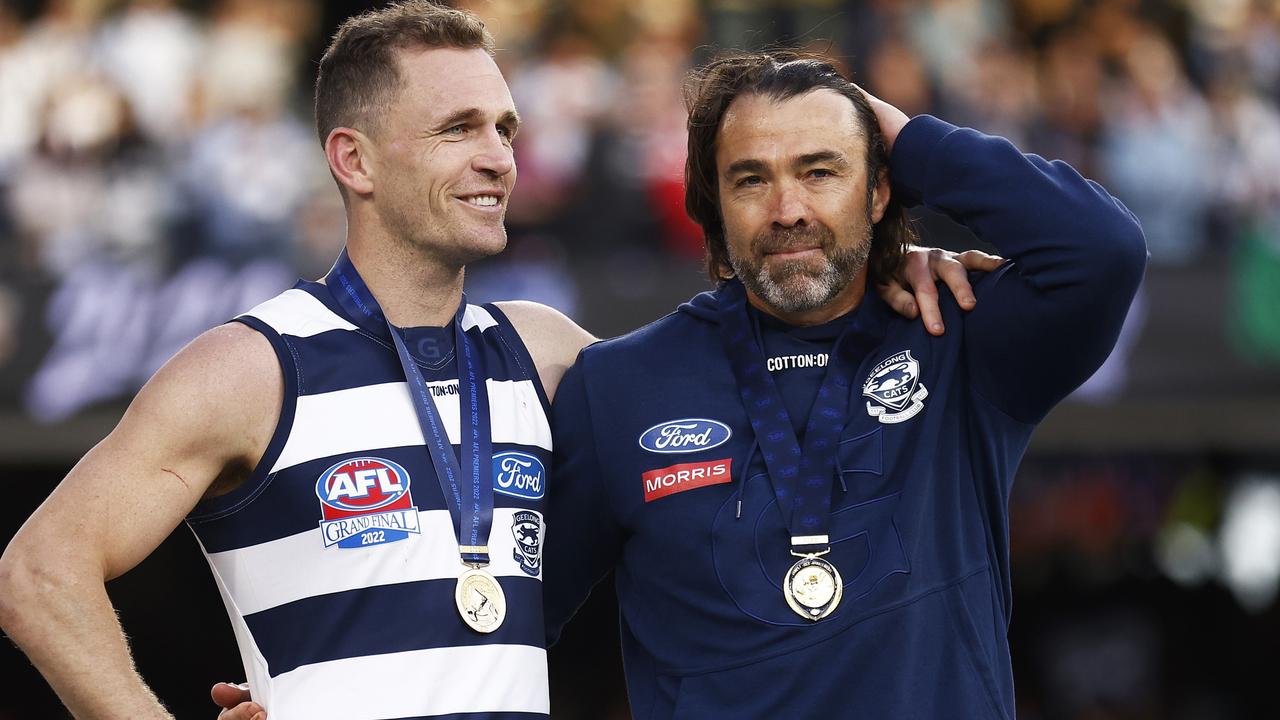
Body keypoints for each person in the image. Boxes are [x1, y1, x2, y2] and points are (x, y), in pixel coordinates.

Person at [0, 4, 983, 720]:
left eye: (505, 128)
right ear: (355, 160)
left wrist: (883, 264)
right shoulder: (250, 369)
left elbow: (752, 409)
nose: (500, 159)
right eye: (458, 129)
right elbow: (40, 571)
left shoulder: (545, 353)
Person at [539, 52, 1146, 719]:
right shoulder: (618, 386)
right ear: (716, 206)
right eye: (750, 180)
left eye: (820, 170)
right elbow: (514, 625)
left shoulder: (960, 335)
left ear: (881, 190)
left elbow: (1102, 251)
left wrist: (909, 139)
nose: (787, 209)